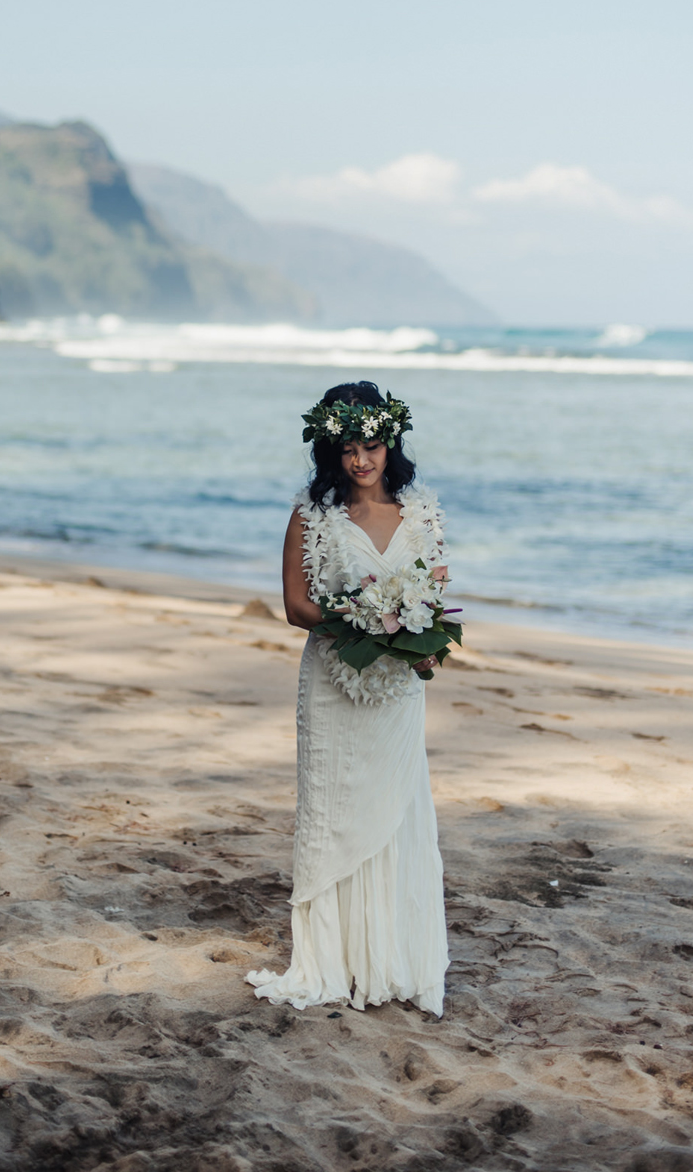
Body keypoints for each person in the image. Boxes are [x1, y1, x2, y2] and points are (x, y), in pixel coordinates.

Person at [246, 380, 450, 1016]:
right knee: (335, 811)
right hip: (334, 680)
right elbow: (296, 607)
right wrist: (362, 620)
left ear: (391, 444)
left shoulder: (422, 516)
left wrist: (422, 639)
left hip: (395, 689)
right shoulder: (312, 516)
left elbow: (433, 596)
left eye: (372, 445)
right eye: (348, 449)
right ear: (329, 451)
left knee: (396, 808)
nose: (361, 460)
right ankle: (334, 960)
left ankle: (391, 958)